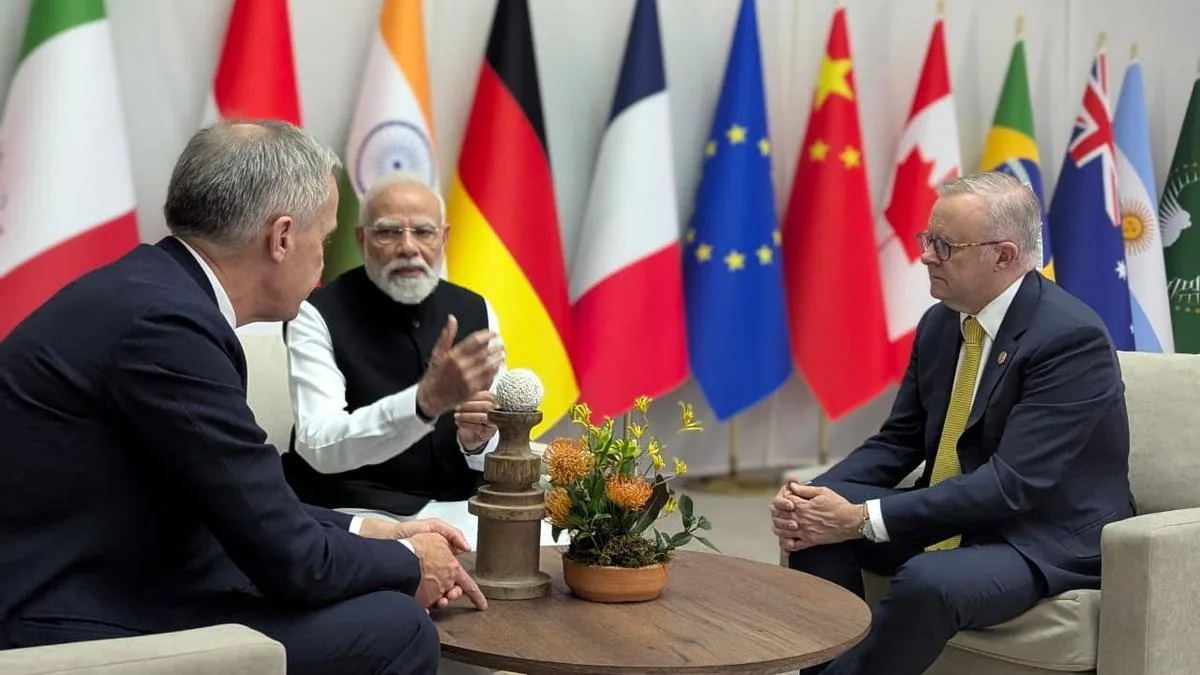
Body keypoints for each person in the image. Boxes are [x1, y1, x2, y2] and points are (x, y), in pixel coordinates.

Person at [0, 120, 485, 675]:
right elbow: (291, 560)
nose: (323, 263)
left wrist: (370, 529)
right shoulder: (167, 328)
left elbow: (236, 499)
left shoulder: (153, 291)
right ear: (282, 238)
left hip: (115, 568)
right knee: (395, 628)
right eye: (324, 240)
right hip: (65, 613)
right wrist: (410, 562)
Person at [771, 171, 1135, 675]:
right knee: (814, 529)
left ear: (1003, 256)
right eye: (927, 239)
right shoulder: (942, 321)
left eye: (944, 246)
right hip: (959, 510)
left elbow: (1010, 486)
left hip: (1039, 533)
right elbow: (898, 441)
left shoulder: (1070, 340)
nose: (925, 256)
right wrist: (814, 496)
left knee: (928, 581)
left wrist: (860, 517)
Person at [281, 171, 505, 519]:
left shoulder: (476, 309)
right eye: (388, 232)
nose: (408, 247)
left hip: (458, 509)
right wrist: (423, 401)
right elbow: (319, 444)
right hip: (354, 512)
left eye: (423, 232)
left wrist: (476, 443)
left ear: (444, 238)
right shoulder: (314, 313)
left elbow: (494, 442)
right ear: (361, 239)